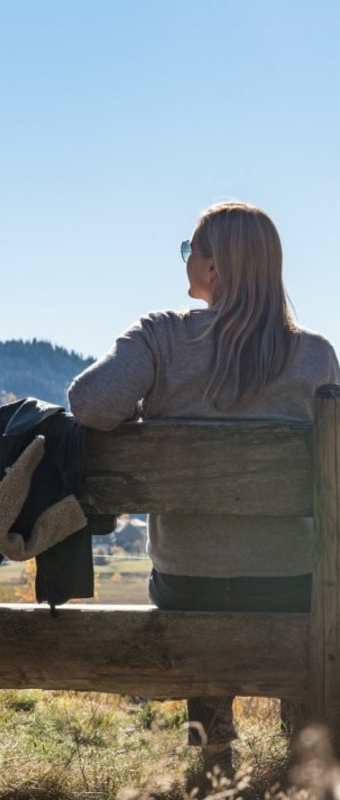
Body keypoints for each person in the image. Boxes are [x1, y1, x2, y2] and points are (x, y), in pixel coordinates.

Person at [67, 200, 340, 774]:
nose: (187, 260)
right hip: (289, 583)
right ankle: (303, 756)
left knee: (194, 578)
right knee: (301, 591)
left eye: (191, 250)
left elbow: (89, 404)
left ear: (214, 269)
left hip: (188, 582)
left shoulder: (162, 339)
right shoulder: (315, 355)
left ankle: (214, 756)